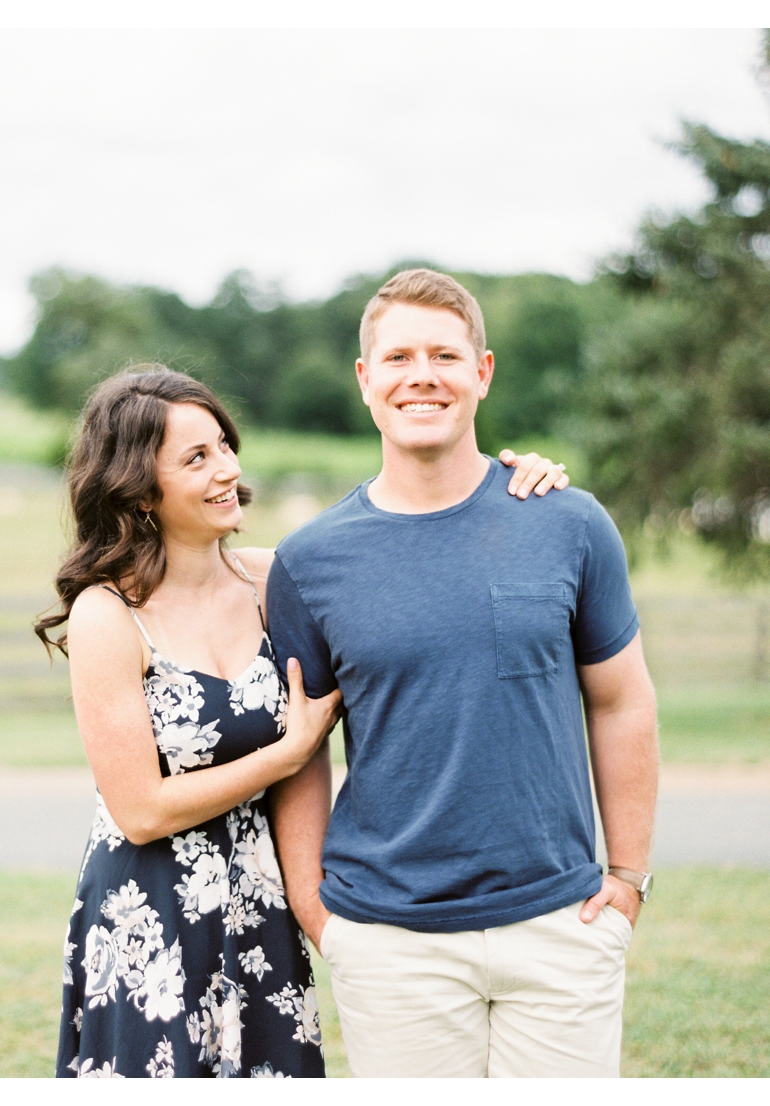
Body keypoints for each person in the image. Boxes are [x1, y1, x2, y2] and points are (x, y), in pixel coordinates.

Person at [39, 365, 569, 1078]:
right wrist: (285, 755)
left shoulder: (275, 580)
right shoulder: (109, 613)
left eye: (224, 444)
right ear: (138, 491)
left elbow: (405, 552)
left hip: (264, 904)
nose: (227, 468)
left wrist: (511, 489)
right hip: (150, 915)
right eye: (196, 458)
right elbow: (139, 811)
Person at [266, 269, 659, 1078]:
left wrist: (627, 878)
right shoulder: (309, 562)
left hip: (561, 923)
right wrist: (318, 913)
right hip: (391, 937)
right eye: (399, 355)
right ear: (366, 379)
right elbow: (299, 751)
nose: (422, 375)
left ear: (482, 373)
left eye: (445, 355)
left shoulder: (567, 523)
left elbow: (621, 704)